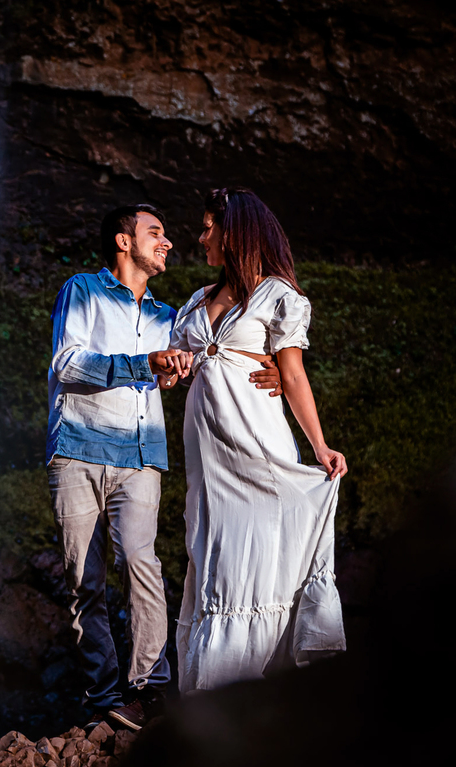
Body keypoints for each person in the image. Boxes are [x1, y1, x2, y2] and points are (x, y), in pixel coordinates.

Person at [46, 204, 283, 728]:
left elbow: (214, 356)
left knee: (141, 563)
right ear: (123, 241)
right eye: (156, 232)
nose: (169, 242)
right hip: (79, 450)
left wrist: (279, 370)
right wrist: (143, 365)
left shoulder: (167, 316)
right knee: (84, 581)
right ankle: (105, 698)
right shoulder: (81, 290)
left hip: (142, 456)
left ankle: (149, 687)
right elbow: (67, 364)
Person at [168, 187, 348, 692]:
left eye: (208, 227)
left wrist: (319, 445)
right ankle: (210, 694)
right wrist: (167, 370)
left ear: (235, 232)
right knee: (213, 554)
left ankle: (243, 690)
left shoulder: (277, 296)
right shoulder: (197, 300)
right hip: (209, 458)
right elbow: (173, 368)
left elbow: (292, 376)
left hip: (255, 443)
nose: (200, 236)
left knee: (253, 554)